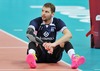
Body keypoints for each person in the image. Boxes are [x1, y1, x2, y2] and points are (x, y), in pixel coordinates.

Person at [26, 2, 85, 69]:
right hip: (39, 55)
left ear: (52, 14)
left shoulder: (57, 22)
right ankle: (32, 59)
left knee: (65, 42)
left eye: (46, 12)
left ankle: (74, 59)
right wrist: (44, 44)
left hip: (53, 55)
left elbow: (69, 35)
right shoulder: (36, 21)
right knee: (32, 41)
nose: (43, 13)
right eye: (42, 11)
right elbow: (29, 33)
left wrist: (53, 44)